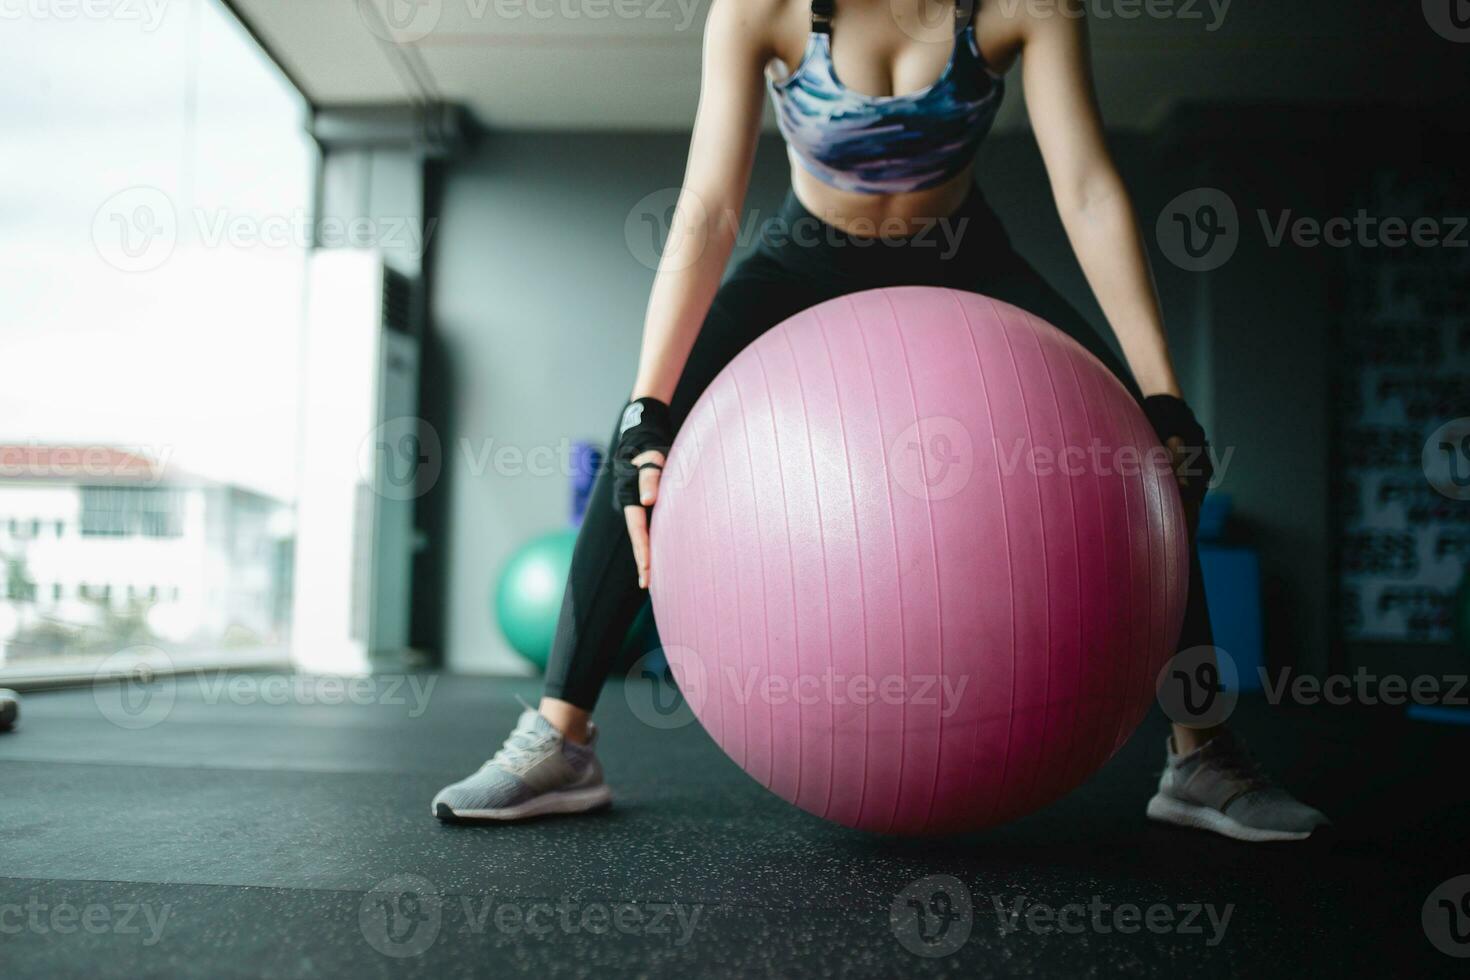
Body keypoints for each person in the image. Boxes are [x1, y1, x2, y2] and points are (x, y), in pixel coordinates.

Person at [434, 0, 1328, 841]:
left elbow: (1088, 190)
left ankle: (1202, 754)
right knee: (646, 445)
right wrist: (645, 408)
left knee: (1142, 443)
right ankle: (561, 740)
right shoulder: (763, 9)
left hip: (963, 253)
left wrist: (1164, 396)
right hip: (803, 257)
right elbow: (707, 210)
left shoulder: (1026, 7)